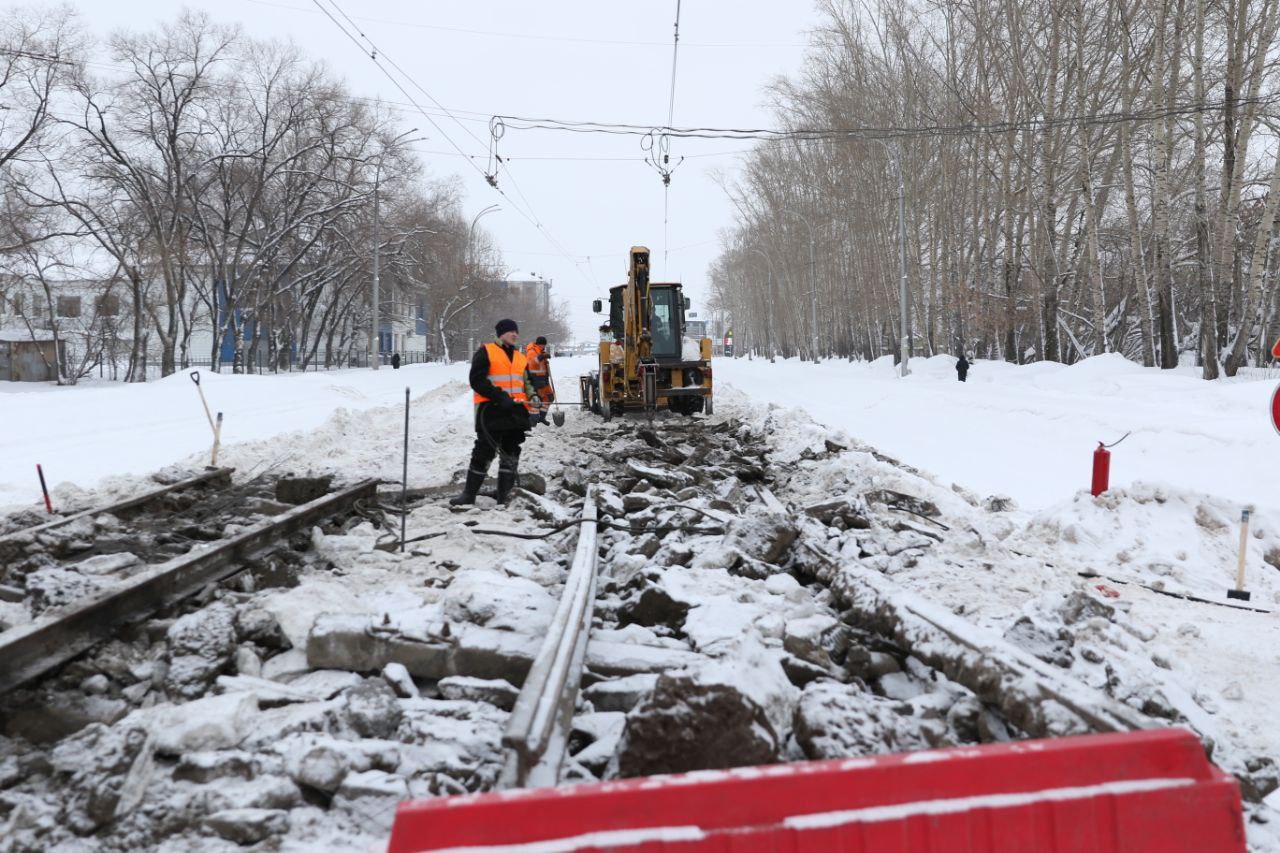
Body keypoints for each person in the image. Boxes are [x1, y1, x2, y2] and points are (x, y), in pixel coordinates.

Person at [449, 319, 534, 506]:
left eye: (516, 332)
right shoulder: (486, 352)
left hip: (515, 414)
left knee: (511, 453)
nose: (515, 334)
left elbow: (526, 382)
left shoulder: (521, 357)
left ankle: (505, 497)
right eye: (511, 331)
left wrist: (533, 396)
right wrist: (499, 396)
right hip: (491, 412)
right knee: (483, 452)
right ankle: (468, 495)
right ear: (501, 333)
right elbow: (476, 380)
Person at [524, 336, 554, 426]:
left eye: (544, 345)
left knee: (549, 398)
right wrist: (542, 356)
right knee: (537, 400)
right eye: (542, 345)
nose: (543, 346)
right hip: (535, 379)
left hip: (544, 379)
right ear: (538, 344)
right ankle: (533, 419)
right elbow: (532, 363)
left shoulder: (541, 351)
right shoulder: (531, 351)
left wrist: (544, 356)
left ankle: (542, 417)